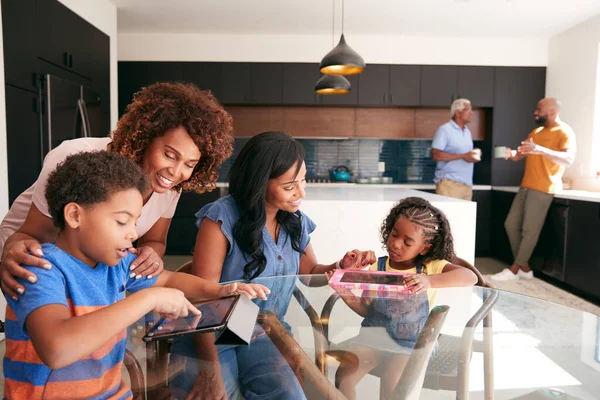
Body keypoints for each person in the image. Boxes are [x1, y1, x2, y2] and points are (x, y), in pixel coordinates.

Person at [2, 151, 269, 399]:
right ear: (74, 215)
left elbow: (169, 279)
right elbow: (57, 349)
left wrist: (221, 291)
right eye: (121, 221)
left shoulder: (116, 263)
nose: (133, 233)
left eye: (135, 221)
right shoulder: (39, 268)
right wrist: (149, 299)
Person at [170, 131, 377, 399]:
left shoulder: (295, 221)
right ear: (259, 183)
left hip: (265, 332)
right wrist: (211, 370)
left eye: (303, 181)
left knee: (292, 396)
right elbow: (202, 299)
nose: (300, 193)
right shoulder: (221, 217)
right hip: (215, 336)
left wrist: (341, 266)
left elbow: (310, 274)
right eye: (290, 186)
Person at [0, 82, 234, 301]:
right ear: (146, 138)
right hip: (35, 259)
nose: (176, 171)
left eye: (190, 164)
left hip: (93, 268)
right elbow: (31, 234)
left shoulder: (168, 186)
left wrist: (150, 255)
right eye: (170, 155)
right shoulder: (74, 157)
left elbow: (154, 241)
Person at [331, 197, 477, 400]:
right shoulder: (377, 267)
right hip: (374, 336)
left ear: (424, 248)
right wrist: (343, 290)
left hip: (412, 343)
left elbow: (470, 276)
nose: (396, 244)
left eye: (407, 242)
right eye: (394, 235)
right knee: (344, 375)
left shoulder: (430, 267)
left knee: (394, 384)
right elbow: (366, 309)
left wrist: (430, 281)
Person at [491, 98, 576, 281]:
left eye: (539, 109)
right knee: (511, 224)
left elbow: (568, 159)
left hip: (543, 188)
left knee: (530, 230)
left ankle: (514, 269)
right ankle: (525, 267)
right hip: (526, 186)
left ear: (552, 112)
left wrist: (541, 149)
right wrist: (511, 154)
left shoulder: (564, 132)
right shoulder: (536, 132)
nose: (535, 112)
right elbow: (519, 155)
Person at [431, 98, 481, 201]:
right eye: (468, 110)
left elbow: (467, 155)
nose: (471, 113)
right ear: (458, 113)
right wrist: (462, 156)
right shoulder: (445, 130)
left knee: (466, 217)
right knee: (448, 217)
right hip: (450, 184)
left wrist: (473, 156)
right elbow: (436, 155)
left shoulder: (467, 132)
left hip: (467, 185)